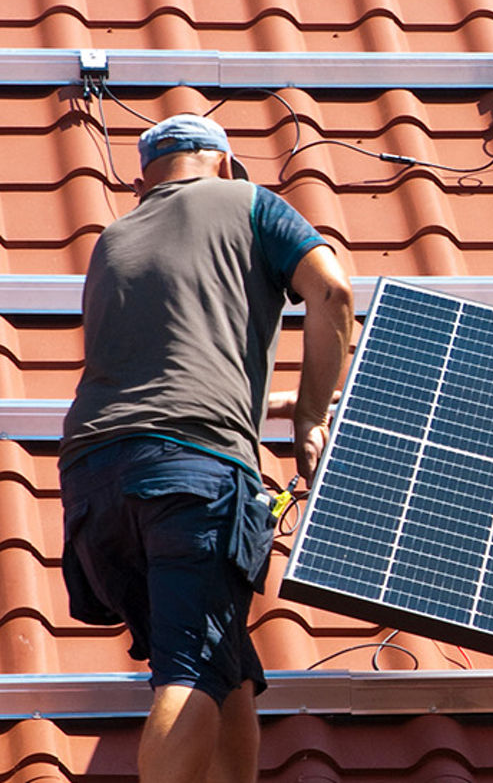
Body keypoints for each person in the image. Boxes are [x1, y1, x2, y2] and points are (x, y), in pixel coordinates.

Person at [59, 114, 354, 783]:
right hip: (190, 477)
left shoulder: (112, 238)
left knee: (227, 667)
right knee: (191, 669)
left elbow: (165, 373)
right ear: (224, 164)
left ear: (142, 183)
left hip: (92, 483)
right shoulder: (249, 203)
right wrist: (309, 412)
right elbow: (332, 292)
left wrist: (261, 406)